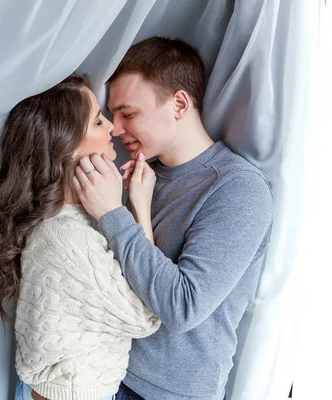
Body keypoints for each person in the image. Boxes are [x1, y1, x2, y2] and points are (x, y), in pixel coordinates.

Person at [74, 37, 275, 400]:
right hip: (103, 374)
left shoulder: (238, 189)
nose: (116, 129)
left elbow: (183, 308)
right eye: (113, 115)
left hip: (168, 393)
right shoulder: (137, 177)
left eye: (128, 113)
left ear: (179, 104)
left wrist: (111, 213)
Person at [0, 74, 161, 400]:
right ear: (67, 148)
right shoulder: (67, 239)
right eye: (98, 121)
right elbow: (147, 316)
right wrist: (140, 207)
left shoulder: (72, 217)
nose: (111, 128)